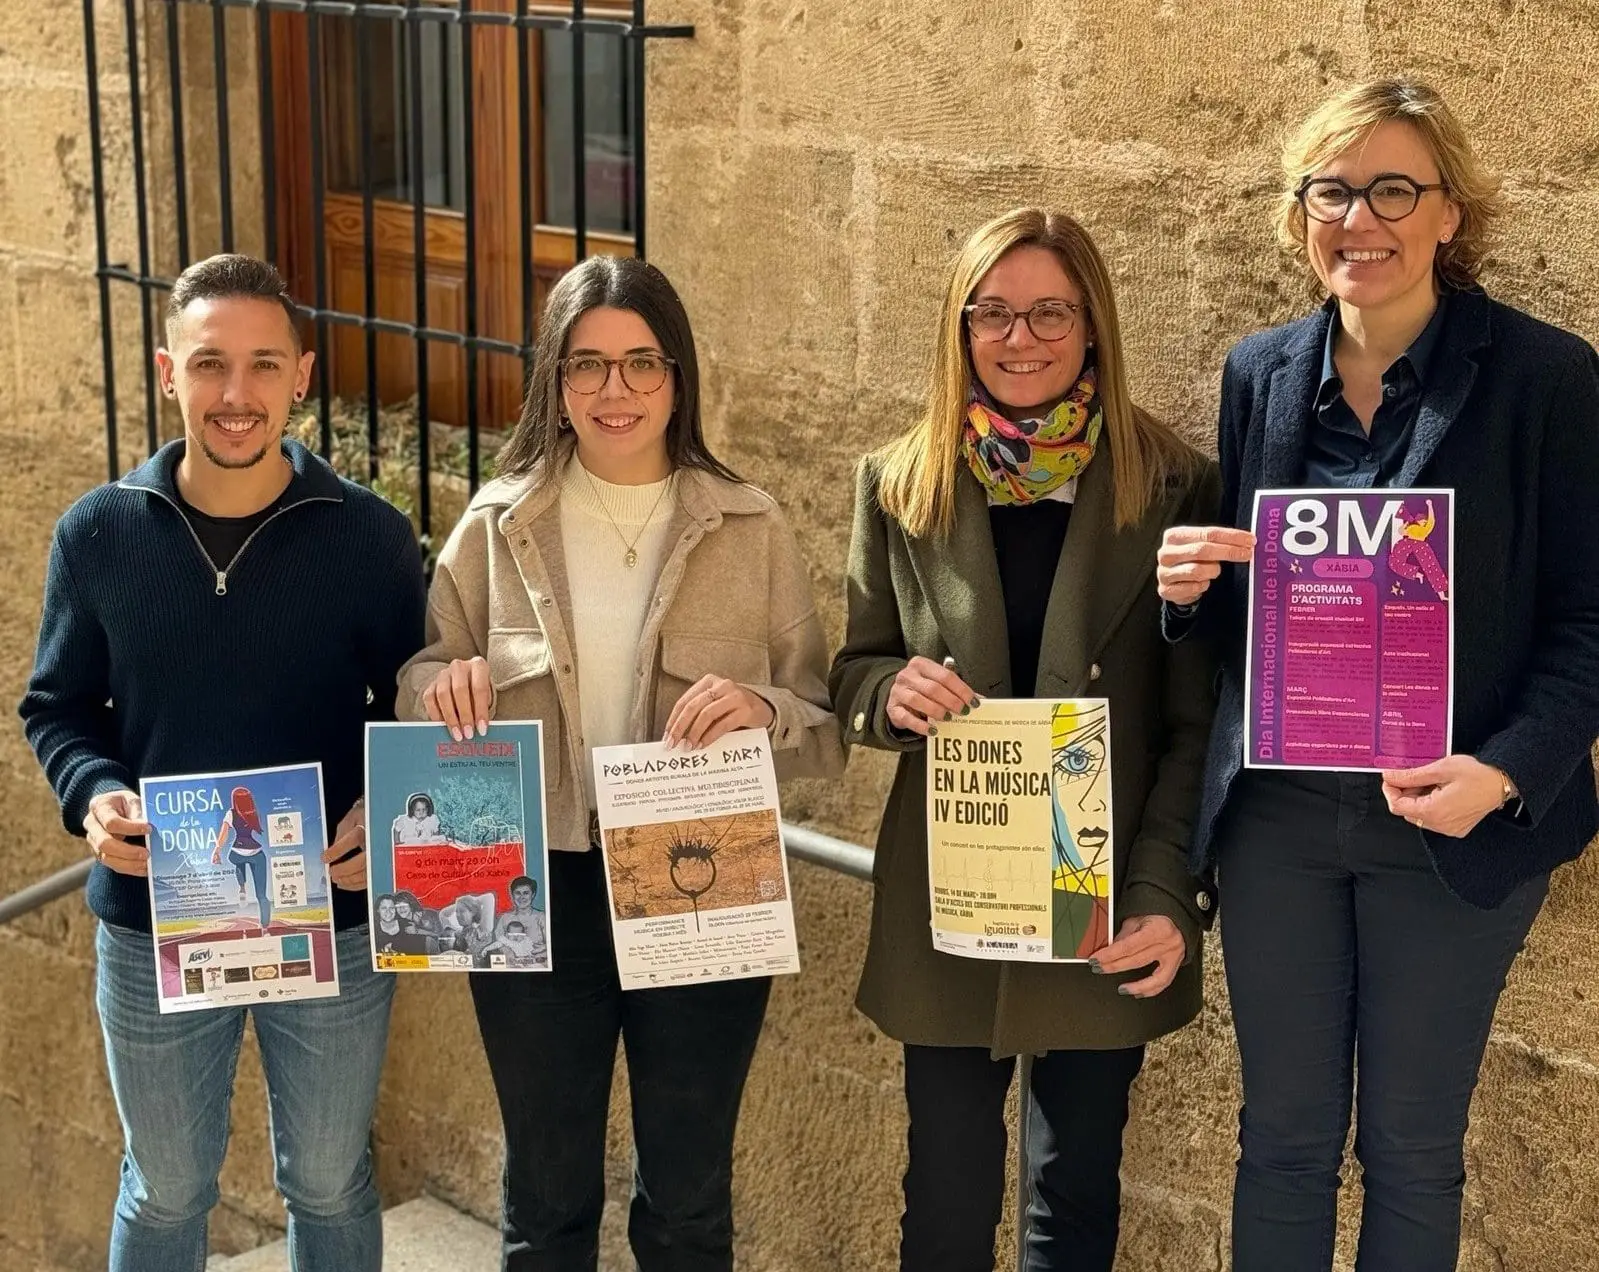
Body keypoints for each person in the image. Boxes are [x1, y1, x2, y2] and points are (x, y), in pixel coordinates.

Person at [1156, 78, 1599, 1272]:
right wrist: (1189, 593)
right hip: (1281, 826)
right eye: (1333, 191)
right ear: (1299, 213)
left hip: (1449, 827)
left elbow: (1587, 619)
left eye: (1395, 190)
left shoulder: (1547, 378)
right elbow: (1259, 616)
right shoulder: (1260, 373)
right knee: (1281, 1142)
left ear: (1451, 212)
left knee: (1411, 1149)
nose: (1361, 219)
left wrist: (1505, 775)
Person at [396, 254, 844, 1271]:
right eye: (587, 364)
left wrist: (763, 707)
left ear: (678, 377)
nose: (616, 389)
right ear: (555, 382)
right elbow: (422, 679)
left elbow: (821, 725)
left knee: (688, 1199)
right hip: (533, 885)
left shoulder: (751, 527)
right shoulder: (496, 526)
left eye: (642, 362)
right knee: (545, 1195)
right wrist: (439, 687)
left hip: (701, 872)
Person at [829, 207, 1219, 1272]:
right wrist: (889, 693)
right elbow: (855, 666)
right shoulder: (899, 481)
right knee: (943, 1198)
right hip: (952, 893)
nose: (1020, 337)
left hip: (1101, 896)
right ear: (959, 328)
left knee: (1073, 1195)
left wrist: (1162, 890)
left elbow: (1196, 725)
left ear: (1093, 324)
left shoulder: (1173, 483)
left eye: (1051, 311)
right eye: (991, 312)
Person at [19, 253, 427, 1272]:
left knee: (329, 1181)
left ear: (302, 376)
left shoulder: (372, 541)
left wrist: (382, 813)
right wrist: (94, 796)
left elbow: (414, 712)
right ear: (170, 373)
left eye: (262, 365)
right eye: (209, 364)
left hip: (330, 921)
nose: (235, 394)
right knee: (165, 1189)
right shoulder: (97, 535)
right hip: (155, 916)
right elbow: (58, 708)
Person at [211, 784, 270, 928]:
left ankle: (242, 887)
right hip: (257, 853)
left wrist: (217, 850)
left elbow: (224, 834)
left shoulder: (231, 813)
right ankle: (265, 926)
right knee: (262, 895)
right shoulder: (253, 813)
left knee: (237, 860)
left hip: (238, 850)